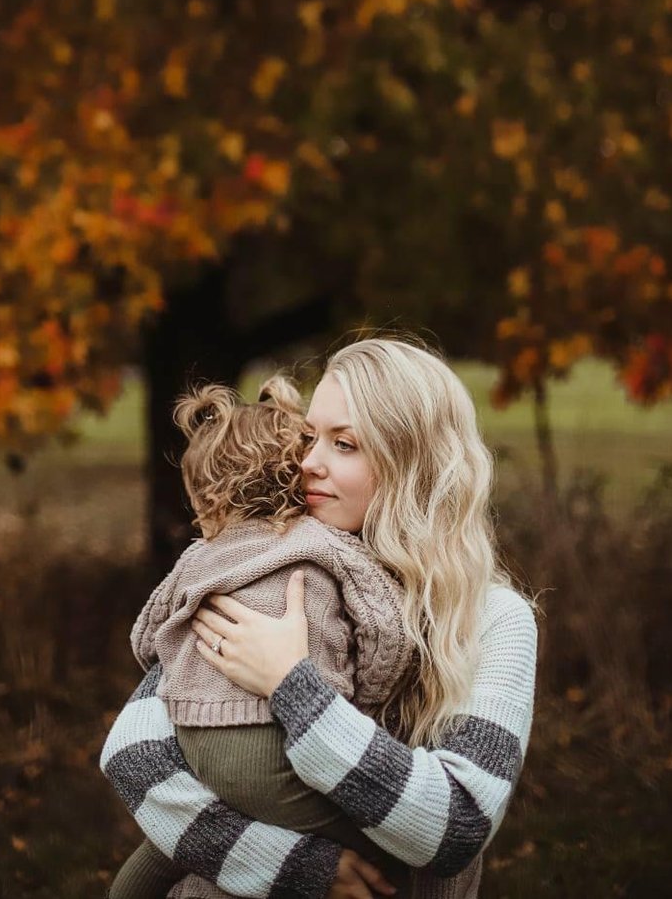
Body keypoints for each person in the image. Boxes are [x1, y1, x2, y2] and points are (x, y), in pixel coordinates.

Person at [101, 337, 538, 899]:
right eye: (309, 437)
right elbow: (134, 754)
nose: (309, 462)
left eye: (345, 444)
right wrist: (297, 866)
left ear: (413, 464)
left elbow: (457, 827)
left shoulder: (494, 621)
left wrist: (294, 686)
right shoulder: (275, 571)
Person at [108, 378, 416, 899]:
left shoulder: (199, 557)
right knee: (398, 849)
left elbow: (148, 636)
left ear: (211, 498)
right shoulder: (323, 542)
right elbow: (387, 630)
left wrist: (184, 669)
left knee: (165, 850)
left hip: (195, 744)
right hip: (275, 748)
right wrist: (371, 695)